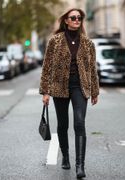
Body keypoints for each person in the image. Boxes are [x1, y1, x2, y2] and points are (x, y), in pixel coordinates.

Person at [39, 8, 99, 178]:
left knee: (80, 123)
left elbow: (92, 69)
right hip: (59, 86)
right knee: (63, 124)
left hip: (80, 86)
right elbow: (47, 67)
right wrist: (45, 92)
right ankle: (65, 156)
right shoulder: (55, 41)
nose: (76, 20)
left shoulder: (88, 43)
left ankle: (80, 166)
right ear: (66, 20)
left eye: (79, 18)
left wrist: (95, 91)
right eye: (73, 17)